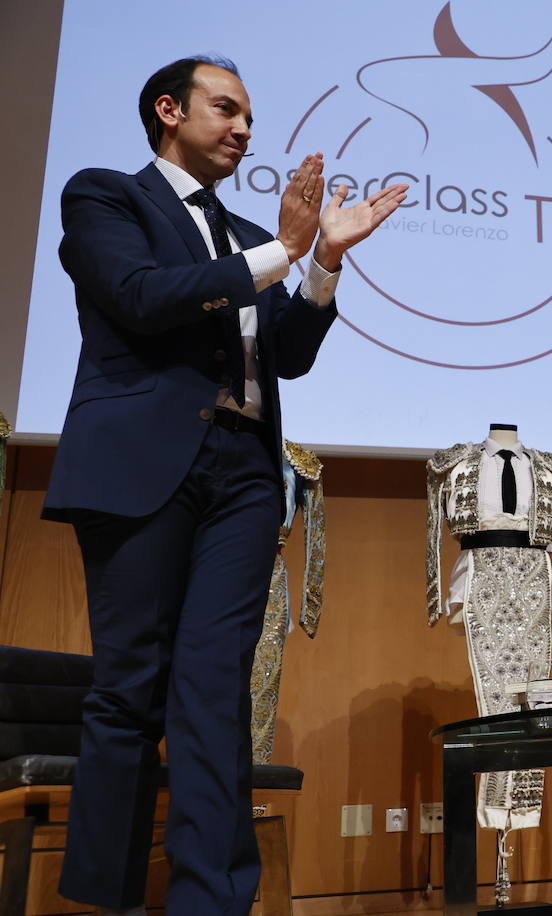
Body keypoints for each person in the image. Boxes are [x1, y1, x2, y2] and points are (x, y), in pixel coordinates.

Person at [41, 55, 406, 915]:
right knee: (131, 686)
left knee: (215, 686)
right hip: (140, 466)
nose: (245, 128)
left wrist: (321, 266)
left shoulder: (250, 237)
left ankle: (211, 903)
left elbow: (285, 355)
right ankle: (108, 899)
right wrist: (284, 249)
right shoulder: (105, 197)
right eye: (226, 109)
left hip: (244, 472)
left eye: (249, 115)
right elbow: (140, 296)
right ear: (169, 111)